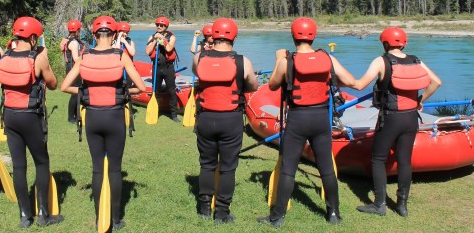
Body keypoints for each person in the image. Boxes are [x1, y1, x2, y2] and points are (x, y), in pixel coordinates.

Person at [258, 17, 357, 229]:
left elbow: (274, 85)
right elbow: (349, 81)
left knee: (288, 168)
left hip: (298, 118)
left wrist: (278, 60)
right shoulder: (327, 58)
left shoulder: (288, 60)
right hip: (321, 118)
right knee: (326, 167)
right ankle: (334, 214)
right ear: (313, 36)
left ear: (293, 36)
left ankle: (277, 217)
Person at [61, 16, 146, 230]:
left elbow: (65, 86)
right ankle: (115, 220)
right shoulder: (121, 55)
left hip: (93, 117)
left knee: (98, 169)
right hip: (115, 116)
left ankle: (100, 217)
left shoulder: (84, 55)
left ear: (94, 34)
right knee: (115, 170)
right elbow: (141, 88)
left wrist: (85, 92)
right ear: (115, 34)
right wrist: (124, 92)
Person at [353, 27, 441, 217]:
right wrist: (420, 101)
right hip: (411, 118)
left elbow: (360, 85)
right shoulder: (416, 60)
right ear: (404, 43)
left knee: (378, 159)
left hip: (390, 117)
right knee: (404, 162)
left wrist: (336, 79)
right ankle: (402, 205)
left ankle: (379, 204)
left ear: (385, 43)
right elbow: (436, 82)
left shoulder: (381, 61)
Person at [0, 17, 63, 228]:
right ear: (33, 38)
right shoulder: (38, 58)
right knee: (41, 162)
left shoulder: (5, 56)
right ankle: (44, 215)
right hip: (30, 116)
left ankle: (25, 216)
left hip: (10, 117)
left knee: (19, 166)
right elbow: (53, 84)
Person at [192, 18, 258, 223]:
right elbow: (253, 86)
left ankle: (204, 208)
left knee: (207, 164)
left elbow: (198, 75)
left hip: (205, 117)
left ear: (214, 35)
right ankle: (221, 213)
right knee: (228, 167)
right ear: (234, 37)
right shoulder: (243, 61)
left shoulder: (199, 58)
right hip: (231, 119)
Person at [144, 16, 180, 121]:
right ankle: (155, 112)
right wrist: (155, 40)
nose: (159, 27)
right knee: (156, 90)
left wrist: (162, 39)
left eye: (161, 25)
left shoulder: (172, 37)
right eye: (157, 25)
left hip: (168, 67)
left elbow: (169, 48)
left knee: (171, 91)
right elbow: (147, 51)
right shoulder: (151, 37)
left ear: (166, 26)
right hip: (157, 67)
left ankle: (174, 115)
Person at [63, 19, 85, 124]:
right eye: (79, 30)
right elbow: (76, 59)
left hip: (70, 67)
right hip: (74, 69)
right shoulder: (74, 43)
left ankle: (75, 115)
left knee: (77, 93)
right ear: (77, 31)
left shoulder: (67, 40)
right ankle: (72, 117)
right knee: (76, 93)